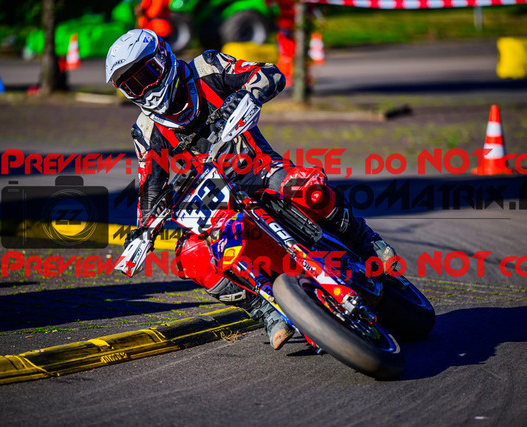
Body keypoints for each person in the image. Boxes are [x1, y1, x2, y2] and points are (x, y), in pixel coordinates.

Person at [105, 29, 396, 351]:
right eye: (132, 85)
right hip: (212, 200)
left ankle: (365, 240)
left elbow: (268, 73)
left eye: (147, 75)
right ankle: (266, 310)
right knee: (191, 257)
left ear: (163, 58)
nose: (145, 89)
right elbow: (150, 184)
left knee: (306, 188)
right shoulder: (145, 129)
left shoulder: (207, 67)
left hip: (258, 168)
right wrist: (142, 231)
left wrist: (248, 95)